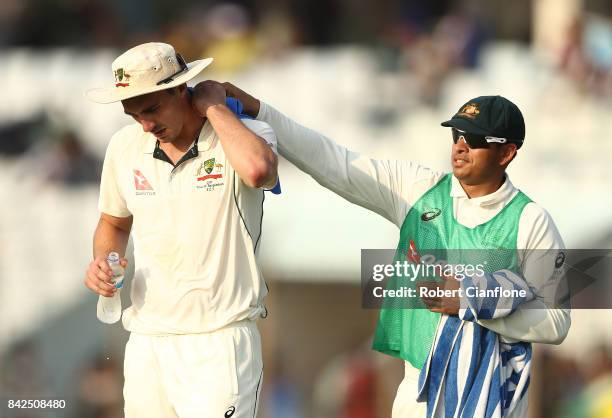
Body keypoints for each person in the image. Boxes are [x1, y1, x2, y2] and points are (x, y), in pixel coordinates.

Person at [220, 84, 570, 418]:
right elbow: (335, 163)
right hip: (416, 396)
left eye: (475, 139)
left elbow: (556, 322)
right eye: (456, 135)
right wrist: (260, 110)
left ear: (507, 152)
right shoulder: (418, 189)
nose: (460, 146)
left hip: (491, 400)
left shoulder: (530, 220)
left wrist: (471, 302)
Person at [83, 42, 279, 418]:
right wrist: (103, 262)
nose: (146, 125)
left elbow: (259, 171)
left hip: (220, 341)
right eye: (133, 113)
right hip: (147, 342)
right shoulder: (124, 147)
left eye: (153, 108)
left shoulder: (246, 134)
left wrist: (214, 107)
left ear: (181, 89)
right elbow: (113, 222)